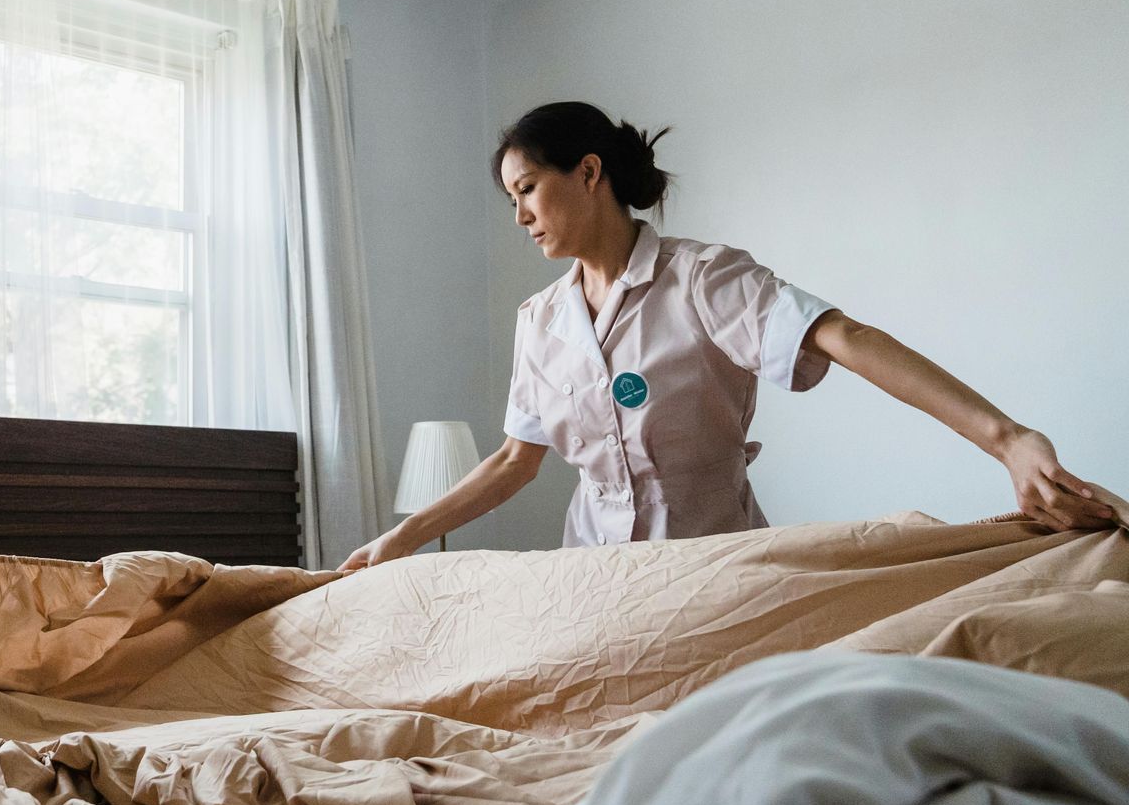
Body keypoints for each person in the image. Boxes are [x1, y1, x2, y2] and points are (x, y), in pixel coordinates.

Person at [342, 101, 1112, 568]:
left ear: (587, 172)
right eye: (510, 199)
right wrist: (402, 539)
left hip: (716, 567)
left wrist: (1008, 439)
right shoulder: (538, 321)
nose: (518, 217)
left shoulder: (703, 279)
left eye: (527, 190)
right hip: (591, 579)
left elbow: (842, 336)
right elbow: (515, 461)